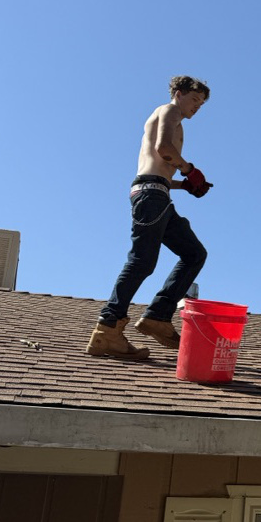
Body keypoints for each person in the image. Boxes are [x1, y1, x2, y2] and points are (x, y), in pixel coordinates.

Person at [86, 76, 213, 359]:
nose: (197, 107)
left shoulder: (173, 117)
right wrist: (189, 169)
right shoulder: (169, 111)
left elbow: (160, 169)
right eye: (194, 100)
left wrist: (187, 184)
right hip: (151, 195)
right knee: (141, 261)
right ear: (178, 94)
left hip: (158, 194)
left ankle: (157, 317)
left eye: (201, 104)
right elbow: (164, 149)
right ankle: (107, 329)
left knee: (194, 254)